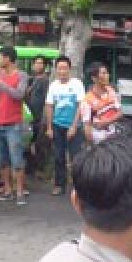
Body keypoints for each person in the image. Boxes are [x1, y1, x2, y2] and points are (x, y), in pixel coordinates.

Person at [0, 45, 30, 205]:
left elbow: (19, 95)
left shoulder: (22, 76)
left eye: (0, 57)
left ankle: (20, 192)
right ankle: (7, 190)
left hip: (14, 124)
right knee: (1, 160)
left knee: (17, 159)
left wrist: (0, 82)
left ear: (8, 58)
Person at [44, 55, 86, 196]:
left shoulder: (77, 84)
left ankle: (79, 186)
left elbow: (81, 105)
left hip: (74, 126)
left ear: (70, 69)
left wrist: (74, 126)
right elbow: (49, 106)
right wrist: (49, 127)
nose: (62, 71)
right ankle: (59, 184)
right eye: (59, 68)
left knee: (76, 158)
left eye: (65, 68)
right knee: (58, 157)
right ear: (56, 70)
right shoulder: (53, 85)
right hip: (57, 126)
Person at [83, 62, 122, 144]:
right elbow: (87, 125)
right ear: (94, 78)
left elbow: (120, 113)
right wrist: (90, 145)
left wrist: (106, 122)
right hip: (98, 140)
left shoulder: (111, 91)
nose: (107, 76)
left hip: (113, 136)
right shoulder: (87, 99)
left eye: (107, 73)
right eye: (103, 73)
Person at [26, 55, 51, 177]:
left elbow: (47, 101)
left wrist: (44, 119)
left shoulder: (45, 81)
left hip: (40, 118)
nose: (38, 65)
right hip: (30, 117)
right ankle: (31, 168)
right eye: (36, 63)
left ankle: (39, 170)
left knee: (39, 144)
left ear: (45, 66)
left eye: (41, 63)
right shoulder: (32, 79)